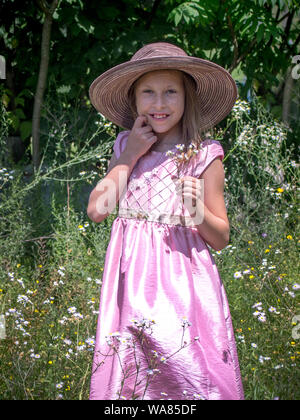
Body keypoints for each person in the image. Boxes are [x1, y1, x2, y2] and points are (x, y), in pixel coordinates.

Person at [87, 42, 244, 400]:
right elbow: (97, 210)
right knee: (133, 374)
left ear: (187, 97)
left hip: (182, 286)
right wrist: (129, 155)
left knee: (184, 369)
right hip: (129, 282)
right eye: (149, 93)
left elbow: (220, 237)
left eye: (170, 92)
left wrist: (198, 212)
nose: (159, 104)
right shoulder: (126, 145)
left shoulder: (205, 155)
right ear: (134, 100)